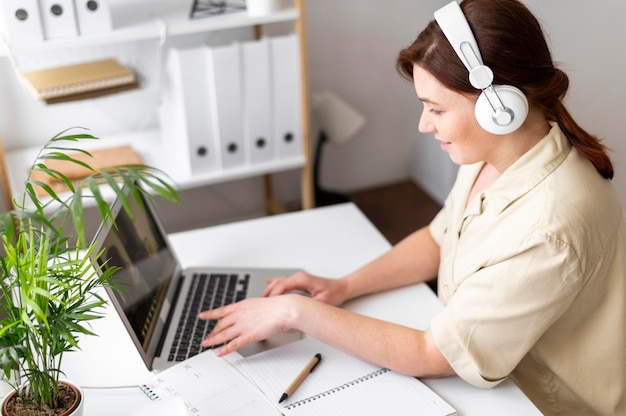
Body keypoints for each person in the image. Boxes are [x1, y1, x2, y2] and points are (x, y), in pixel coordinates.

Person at [199, 0, 626, 414]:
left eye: (436, 108)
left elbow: (433, 354)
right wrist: (344, 287)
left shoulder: (549, 226)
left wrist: (296, 312)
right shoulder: (494, 155)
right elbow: (441, 238)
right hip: (499, 377)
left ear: (500, 108)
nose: (424, 124)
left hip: (536, 402)